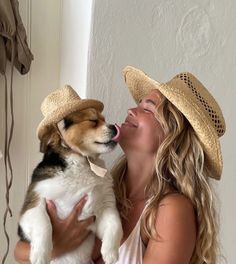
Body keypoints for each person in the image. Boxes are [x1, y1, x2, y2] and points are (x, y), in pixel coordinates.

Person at [14, 66, 226, 264]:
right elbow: (20, 251)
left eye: (148, 109)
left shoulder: (171, 210)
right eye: (139, 103)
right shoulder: (105, 189)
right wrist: (58, 246)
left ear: (174, 137)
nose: (132, 109)